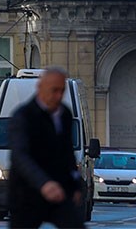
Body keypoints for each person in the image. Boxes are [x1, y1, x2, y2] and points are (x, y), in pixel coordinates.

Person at [7, 68, 83, 229]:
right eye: (54, 90)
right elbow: (20, 156)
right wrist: (44, 183)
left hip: (59, 191)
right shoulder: (23, 116)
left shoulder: (65, 115)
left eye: (62, 91)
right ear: (40, 87)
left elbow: (68, 154)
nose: (58, 96)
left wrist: (75, 186)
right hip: (26, 193)